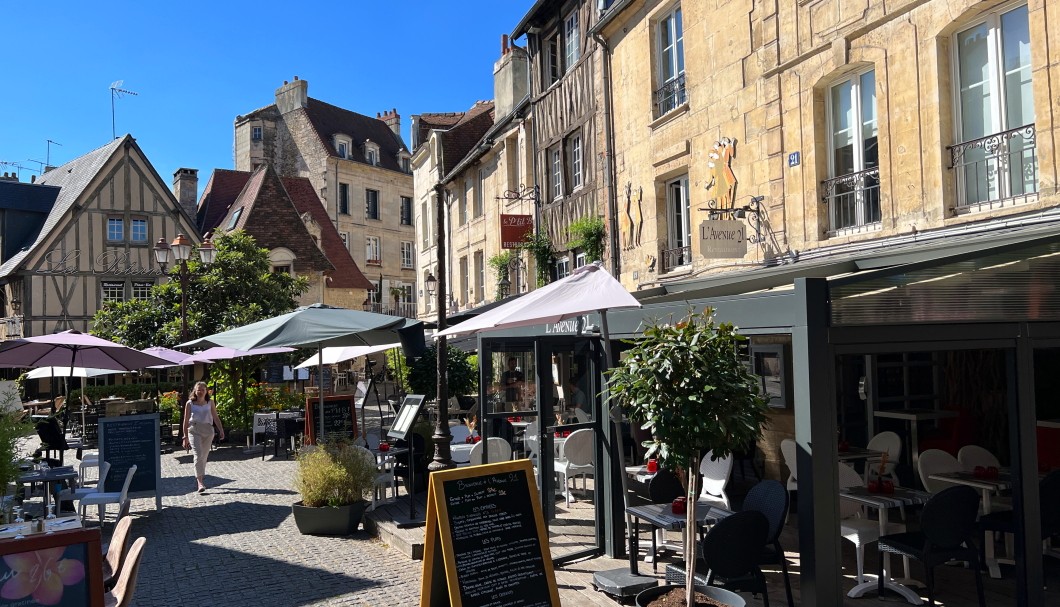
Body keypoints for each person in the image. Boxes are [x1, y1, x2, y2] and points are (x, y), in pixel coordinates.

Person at [182, 381, 224, 493]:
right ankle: (200, 482)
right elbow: (185, 421)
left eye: (202, 390)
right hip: (194, 430)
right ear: (195, 391)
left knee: (204, 456)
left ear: (206, 391)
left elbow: (215, 417)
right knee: (198, 454)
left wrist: (220, 429)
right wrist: (184, 436)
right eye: (198, 390)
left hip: (208, 430)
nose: (200, 392)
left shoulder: (210, 402)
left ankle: (200, 475)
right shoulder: (190, 403)